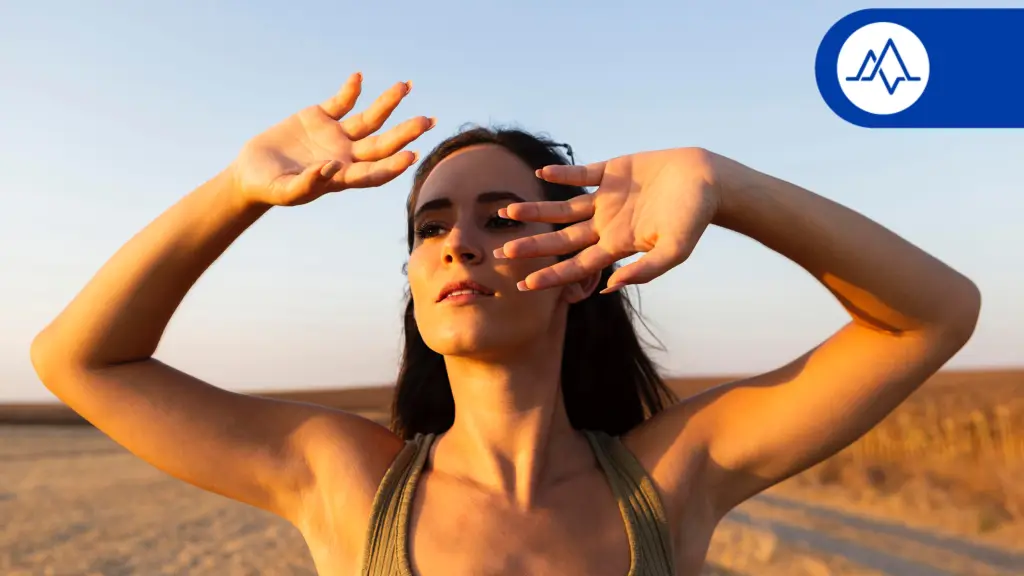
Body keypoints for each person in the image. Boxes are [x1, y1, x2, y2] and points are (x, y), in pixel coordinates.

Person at [30, 73, 981, 576]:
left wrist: (727, 186)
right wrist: (236, 195)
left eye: (503, 217)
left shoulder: (666, 478)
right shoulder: (348, 481)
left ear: (578, 271)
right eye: (431, 225)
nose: (458, 243)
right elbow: (79, 362)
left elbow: (932, 316)